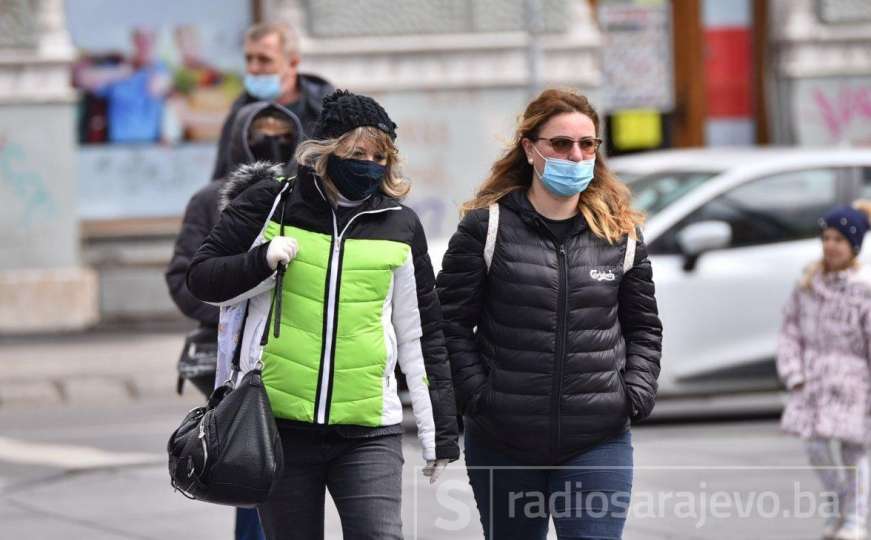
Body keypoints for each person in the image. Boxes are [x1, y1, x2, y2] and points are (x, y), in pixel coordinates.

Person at [186, 89, 460, 540]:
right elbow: (202, 278)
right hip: (279, 427)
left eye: (379, 155)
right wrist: (261, 261)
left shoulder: (399, 224)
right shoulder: (272, 204)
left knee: (379, 535)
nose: (369, 164)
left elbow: (421, 333)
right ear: (326, 151)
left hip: (369, 429)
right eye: (357, 152)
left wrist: (440, 432)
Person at [436, 88, 662, 539]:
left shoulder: (620, 235)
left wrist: (633, 393)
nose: (575, 155)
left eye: (587, 144)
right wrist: (479, 396)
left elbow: (644, 328)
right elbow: (449, 324)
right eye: (561, 143)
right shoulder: (488, 227)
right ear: (530, 148)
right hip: (504, 440)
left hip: (597, 438)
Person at [165, 101, 302, 540]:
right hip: (230, 356)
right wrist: (230, 305)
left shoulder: (306, 198)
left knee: (283, 471)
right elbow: (186, 277)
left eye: (282, 132)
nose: (272, 140)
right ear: (241, 137)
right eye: (262, 132)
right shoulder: (210, 199)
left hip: (294, 353)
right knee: (244, 458)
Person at [777, 201, 871, 540]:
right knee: (815, 446)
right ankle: (842, 499)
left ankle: (854, 520)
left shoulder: (864, 290)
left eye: (839, 240)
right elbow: (790, 331)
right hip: (814, 380)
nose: (831, 245)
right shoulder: (808, 284)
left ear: (853, 246)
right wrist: (794, 373)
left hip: (853, 382)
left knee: (853, 452)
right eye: (826, 238)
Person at [211, 22, 334, 181]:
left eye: (264, 60)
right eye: (249, 59)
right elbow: (224, 177)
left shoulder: (326, 109)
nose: (253, 68)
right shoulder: (241, 112)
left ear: (293, 63)